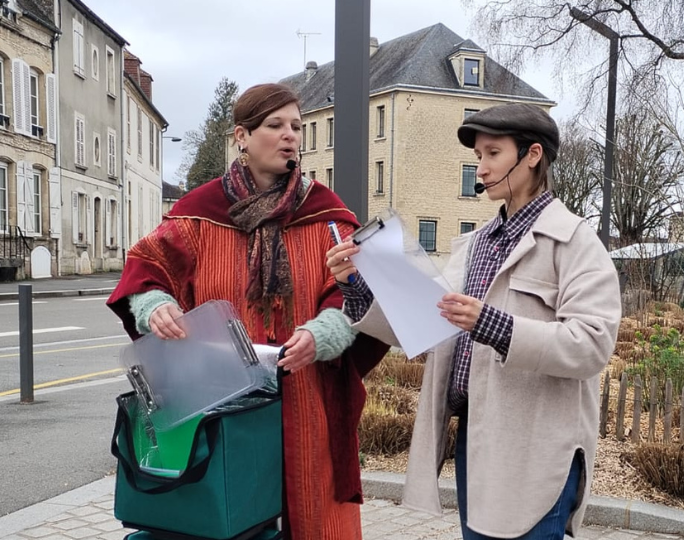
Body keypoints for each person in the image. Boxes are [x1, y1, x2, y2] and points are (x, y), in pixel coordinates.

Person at [327, 103, 621, 540]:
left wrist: (492, 325)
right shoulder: (475, 243)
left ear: (532, 155)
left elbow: (593, 345)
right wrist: (358, 285)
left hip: (536, 446)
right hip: (476, 436)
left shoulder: (575, 241)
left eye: (492, 154)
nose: (480, 168)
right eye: (478, 156)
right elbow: (429, 329)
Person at [108, 83, 388, 540]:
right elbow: (147, 270)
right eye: (275, 125)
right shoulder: (197, 215)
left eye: (297, 127)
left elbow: (352, 298)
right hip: (220, 401)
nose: (290, 136)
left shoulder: (327, 217)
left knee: (307, 513)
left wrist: (323, 333)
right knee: (229, 512)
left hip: (305, 400)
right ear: (242, 135)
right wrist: (155, 306)